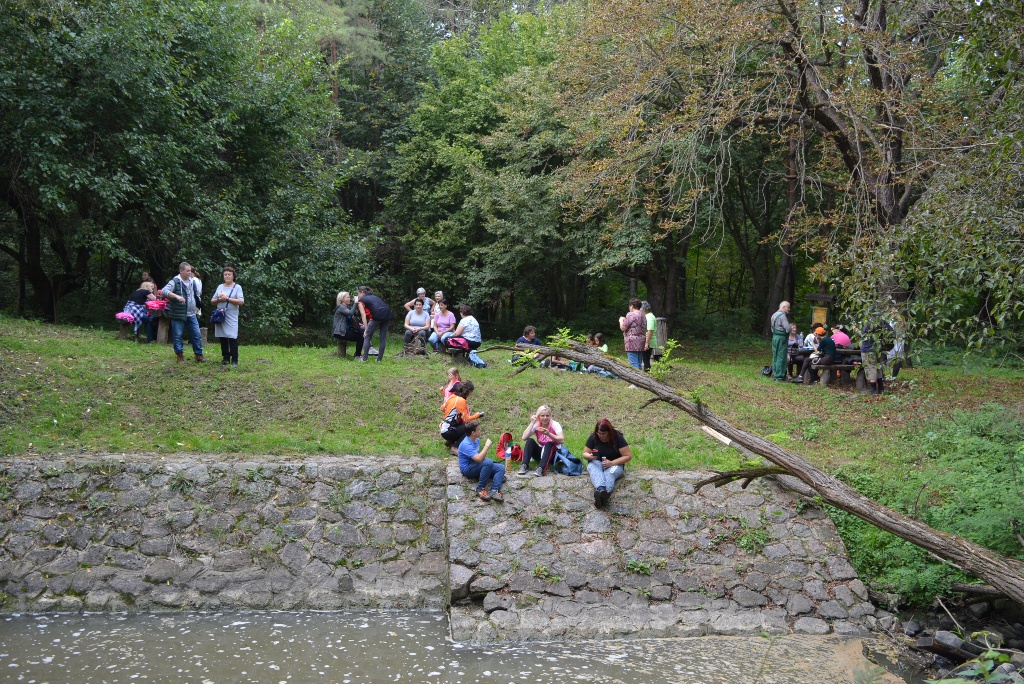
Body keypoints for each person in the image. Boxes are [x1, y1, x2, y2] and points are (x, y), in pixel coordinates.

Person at [583, 418, 632, 509]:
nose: (601, 436)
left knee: (609, 474)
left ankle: (604, 494)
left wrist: (612, 463)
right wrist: (590, 456)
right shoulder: (594, 437)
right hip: (597, 462)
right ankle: (601, 490)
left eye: (604, 433)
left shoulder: (618, 438)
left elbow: (628, 456)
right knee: (593, 468)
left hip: (615, 464)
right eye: (599, 433)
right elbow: (585, 453)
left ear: (609, 432)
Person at [162, 261, 205, 363]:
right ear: (181, 271)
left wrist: (198, 304)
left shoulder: (192, 281)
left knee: (197, 335)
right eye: (188, 271)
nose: (190, 273)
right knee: (178, 336)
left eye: (190, 271)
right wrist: (176, 296)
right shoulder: (175, 281)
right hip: (178, 314)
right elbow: (164, 291)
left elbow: (196, 294)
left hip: (192, 313)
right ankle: (179, 356)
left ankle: (199, 355)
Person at [458, 421, 504, 502]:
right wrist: (487, 446)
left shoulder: (477, 440)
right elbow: (479, 459)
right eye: (478, 429)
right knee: (488, 463)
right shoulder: (466, 444)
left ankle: (494, 491)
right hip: (467, 469)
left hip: (476, 464)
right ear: (473, 433)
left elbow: (479, 458)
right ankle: (480, 489)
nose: (481, 430)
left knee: (500, 468)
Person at [210, 266, 245, 366]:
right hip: (220, 315)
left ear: (233, 276)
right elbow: (212, 301)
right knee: (222, 337)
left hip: (231, 316)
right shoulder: (220, 287)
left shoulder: (237, 287)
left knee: (232, 337)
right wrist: (219, 300)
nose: (227, 276)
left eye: (229, 274)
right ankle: (225, 358)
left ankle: (234, 360)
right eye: (225, 274)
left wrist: (228, 299)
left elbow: (241, 301)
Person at [518, 405, 565, 477]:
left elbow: (562, 440)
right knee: (530, 441)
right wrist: (532, 423)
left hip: (554, 454)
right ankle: (524, 465)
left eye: (547, 416)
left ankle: (541, 469)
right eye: (542, 416)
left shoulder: (555, 424)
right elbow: (524, 437)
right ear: (538, 416)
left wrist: (549, 434)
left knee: (549, 444)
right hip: (542, 453)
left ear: (550, 416)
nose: (545, 418)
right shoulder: (537, 424)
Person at [441, 381, 482, 452]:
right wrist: (477, 415)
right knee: (468, 428)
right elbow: (466, 419)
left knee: (461, 425)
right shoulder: (461, 401)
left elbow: (442, 408)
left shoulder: (452, 396)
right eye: (471, 392)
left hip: (444, 428)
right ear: (468, 391)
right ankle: (455, 447)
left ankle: (450, 442)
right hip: (448, 431)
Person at [356, 286, 392, 362]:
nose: (358, 296)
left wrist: (366, 329)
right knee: (382, 338)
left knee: (367, 336)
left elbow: (363, 315)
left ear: (362, 292)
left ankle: (364, 359)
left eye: (358, 293)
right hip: (387, 314)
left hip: (376, 316)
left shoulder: (361, 300)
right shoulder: (374, 297)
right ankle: (379, 359)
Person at [333, 291, 364, 357]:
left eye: (349, 297)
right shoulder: (340, 307)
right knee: (360, 338)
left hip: (346, 330)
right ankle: (357, 355)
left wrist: (361, 305)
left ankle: (363, 352)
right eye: (347, 297)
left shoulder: (348, 307)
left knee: (362, 332)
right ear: (342, 299)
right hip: (340, 332)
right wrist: (355, 303)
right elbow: (350, 313)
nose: (349, 299)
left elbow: (357, 313)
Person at [619, 298, 647, 371]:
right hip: (641, 341)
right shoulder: (643, 315)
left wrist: (621, 320)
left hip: (632, 343)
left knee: (633, 364)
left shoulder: (631, 314)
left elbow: (623, 327)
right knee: (639, 363)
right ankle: (641, 377)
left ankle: (636, 378)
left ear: (631, 306)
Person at [769, 301, 791, 381]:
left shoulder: (774, 315)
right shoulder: (782, 316)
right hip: (782, 338)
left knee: (775, 356)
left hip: (775, 337)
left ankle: (775, 373)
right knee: (781, 356)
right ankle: (780, 376)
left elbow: (772, 327)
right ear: (783, 307)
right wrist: (790, 328)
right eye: (788, 307)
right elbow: (788, 329)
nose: (789, 309)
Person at [641, 301, 657, 371]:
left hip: (648, 341)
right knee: (645, 358)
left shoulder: (649, 317)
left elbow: (650, 330)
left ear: (643, 309)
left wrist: (646, 343)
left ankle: (647, 374)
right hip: (648, 341)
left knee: (646, 359)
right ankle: (646, 372)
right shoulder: (649, 316)